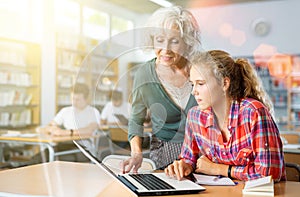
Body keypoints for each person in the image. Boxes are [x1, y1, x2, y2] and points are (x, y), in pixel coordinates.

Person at [165, 50, 286, 182]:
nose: (194, 92)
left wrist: (217, 169)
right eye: (192, 84)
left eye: (200, 84)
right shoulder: (195, 116)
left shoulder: (253, 113)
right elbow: (189, 159)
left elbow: (269, 174)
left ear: (224, 83)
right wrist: (183, 166)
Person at [121, 6, 201, 173]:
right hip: (166, 152)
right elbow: (136, 119)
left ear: (186, 42)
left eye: (174, 41)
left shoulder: (200, 70)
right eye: (159, 39)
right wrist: (137, 153)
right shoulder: (144, 74)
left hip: (205, 150)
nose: (165, 49)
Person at [41, 83, 101, 156]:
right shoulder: (65, 111)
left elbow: (89, 130)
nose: (74, 102)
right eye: (73, 99)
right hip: (65, 145)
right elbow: (49, 126)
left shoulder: (93, 112)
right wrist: (53, 129)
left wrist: (64, 133)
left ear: (86, 99)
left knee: (53, 157)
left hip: (83, 149)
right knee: (41, 157)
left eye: (78, 100)